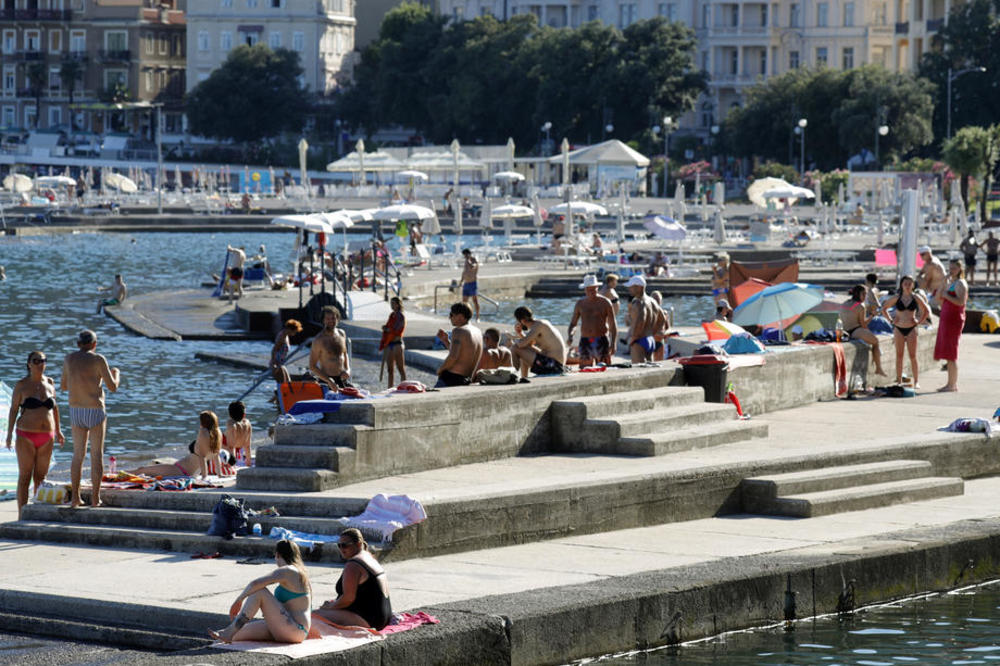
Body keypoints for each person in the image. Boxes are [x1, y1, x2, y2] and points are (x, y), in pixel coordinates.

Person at [210, 540, 312, 643]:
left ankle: (228, 633)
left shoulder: (288, 570)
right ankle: (227, 633)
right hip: (291, 628)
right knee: (232, 635)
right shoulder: (302, 573)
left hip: (295, 630)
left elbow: (255, 584)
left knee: (259, 591)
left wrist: (239, 600)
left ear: (277, 554)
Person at [62, 330, 119, 508]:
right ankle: (95, 499)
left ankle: (75, 498)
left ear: (78, 344)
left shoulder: (69, 359)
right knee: (96, 454)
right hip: (95, 410)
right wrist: (116, 373)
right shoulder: (98, 359)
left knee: (78, 455)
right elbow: (112, 387)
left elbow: (63, 386)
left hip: (76, 411)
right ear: (94, 344)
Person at [5, 351, 64, 519]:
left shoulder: (50, 383)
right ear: (29, 364)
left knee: (41, 477)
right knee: (25, 476)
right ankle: (22, 514)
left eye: (43, 361)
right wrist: (9, 434)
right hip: (26, 435)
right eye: (36, 361)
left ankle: (36, 514)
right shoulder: (22, 385)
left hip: (48, 436)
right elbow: (13, 410)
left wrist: (58, 430)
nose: (40, 364)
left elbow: (55, 408)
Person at [314, 529, 391, 631]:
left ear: (358, 544)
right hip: (384, 617)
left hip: (369, 620)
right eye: (339, 545)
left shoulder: (353, 565)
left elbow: (348, 598)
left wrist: (330, 607)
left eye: (345, 545)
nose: (341, 549)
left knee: (312, 616)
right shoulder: (369, 557)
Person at [133, 411, 222, 479]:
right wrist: (219, 474)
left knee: (142, 470)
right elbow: (216, 456)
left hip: (180, 470)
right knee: (146, 470)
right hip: (184, 469)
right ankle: (119, 472)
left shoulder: (203, 432)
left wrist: (204, 477)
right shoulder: (218, 434)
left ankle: (119, 473)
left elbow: (202, 457)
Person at [880, 275, 930, 388]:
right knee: (899, 355)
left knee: (913, 356)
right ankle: (899, 381)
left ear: (913, 285)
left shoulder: (916, 297)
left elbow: (926, 310)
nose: (907, 286)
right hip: (898, 328)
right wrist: (891, 320)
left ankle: (916, 381)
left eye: (909, 284)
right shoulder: (897, 297)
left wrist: (919, 321)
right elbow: (883, 308)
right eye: (905, 284)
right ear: (901, 285)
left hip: (911, 328)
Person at [567, 275, 617, 368]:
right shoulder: (580, 304)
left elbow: (613, 324)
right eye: (589, 289)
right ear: (585, 290)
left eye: (594, 289)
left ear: (597, 288)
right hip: (586, 340)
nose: (592, 292)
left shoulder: (605, 302)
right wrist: (570, 335)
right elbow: (573, 323)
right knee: (585, 370)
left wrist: (613, 343)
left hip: (602, 339)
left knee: (604, 368)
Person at [934, 259, 968, 392]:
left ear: (960, 269)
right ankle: (950, 383)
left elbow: (960, 302)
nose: (951, 271)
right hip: (946, 318)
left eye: (954, 268)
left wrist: (946, 295)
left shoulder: (960, 283)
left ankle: (952, 384)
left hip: (954, 319)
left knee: (951, 352)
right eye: (950, 268)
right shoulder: (951, 283)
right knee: (948, 352)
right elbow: (938, 297)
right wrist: (943, 284)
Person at [840, 284, 887, 378]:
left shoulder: (845, 303)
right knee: (876, 341)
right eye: (864, 294)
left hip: (844, 331)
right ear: (859, 294)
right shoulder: (861, 306)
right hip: (855, 330)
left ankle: (878, 367)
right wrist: (872, 315)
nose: (865, 297)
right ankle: (878, 368)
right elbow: (863, 324)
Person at [510, 306, 568, 380]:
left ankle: (512, 375)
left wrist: (513, 339)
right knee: (523, 352)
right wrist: (520, 333)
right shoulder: (538, 324)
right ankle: (524, 378)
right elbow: (529, 344)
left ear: (522, 321)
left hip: (553, 365)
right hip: (553, 364)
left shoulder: (538, 325)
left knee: (515, 348)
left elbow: (521, 344)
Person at [434, 303, 483, 387]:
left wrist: (440, 370)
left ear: (460, 316)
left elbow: (453, 357)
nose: (449, 317)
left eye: (451, 314)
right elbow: (463, 354)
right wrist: (446, 341)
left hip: (452, 379)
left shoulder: (458, 331)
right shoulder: (478, 332)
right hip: (467, 379)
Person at [308, 306, 353, 390]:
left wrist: (348, 370)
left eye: (333, 318)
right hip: (327, 381)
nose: (331, 321)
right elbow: (312, 366)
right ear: (323, 320)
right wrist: (329, 381)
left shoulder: (342, 333)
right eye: (327, 318)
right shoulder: (319, 340)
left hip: (342, 379)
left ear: (337, 319)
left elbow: (344, 354)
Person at [624, 275, 658, 363]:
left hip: (639, 340)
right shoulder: (652, 301)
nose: (629, 289)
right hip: (650, 338)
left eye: (631, 287)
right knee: (650, 371)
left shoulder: (638, 302)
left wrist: (633, 338)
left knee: (638, 371)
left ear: (639, 287)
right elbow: (661, 319)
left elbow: (641, 321)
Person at [380, 297, 406, 388]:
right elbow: (389, 327)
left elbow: (397, 330)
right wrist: (386, 328)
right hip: (390, 344)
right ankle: (390, 388)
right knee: (390, 369)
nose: (392, 305)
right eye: (391, 303)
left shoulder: (401, 316)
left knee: (400, 368)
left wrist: (387, 329)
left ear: (398, 305)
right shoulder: (392, 315)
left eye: (394, 303)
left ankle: (404, 386)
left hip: (397, 343)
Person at [270, 319, 303, 385]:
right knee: (283, 385)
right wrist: (274, 364)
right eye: (294, 332)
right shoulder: (282, 337)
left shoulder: (285, 336)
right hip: (277, 363)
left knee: (288, 382)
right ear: (290, 329)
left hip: (281, 363)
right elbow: (274, 349)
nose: (294, 334)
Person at [916, 245, 946, 312]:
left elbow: (926, 280)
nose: (921, 257)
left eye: (923, 254)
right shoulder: (931, 260)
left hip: (940, 291)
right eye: (920, 255)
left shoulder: (932, 264)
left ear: (928, 253)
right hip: (937, 290)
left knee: (927, 307)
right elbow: (921, 272)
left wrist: (920, 288)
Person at [224, 401, 252, 467]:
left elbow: (231, 447)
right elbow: (247, 446)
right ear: (244, 415)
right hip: (239, 453)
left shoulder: (231, 425)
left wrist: (232, 465)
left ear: (230, 414)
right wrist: (248, 462)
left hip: (229, 456)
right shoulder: (247, 423)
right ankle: (246, 462)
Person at [459, 248, 480, 321]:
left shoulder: (474, 260)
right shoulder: (466, 261)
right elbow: (464, 272)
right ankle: (465, 317)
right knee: (464, 302)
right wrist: (461, 281)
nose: (464, 257)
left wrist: (468, 260)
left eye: (465, 255)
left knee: (475, 301)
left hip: (472, 283)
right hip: (466, 284)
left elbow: (472, 267)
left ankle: (477, 317)